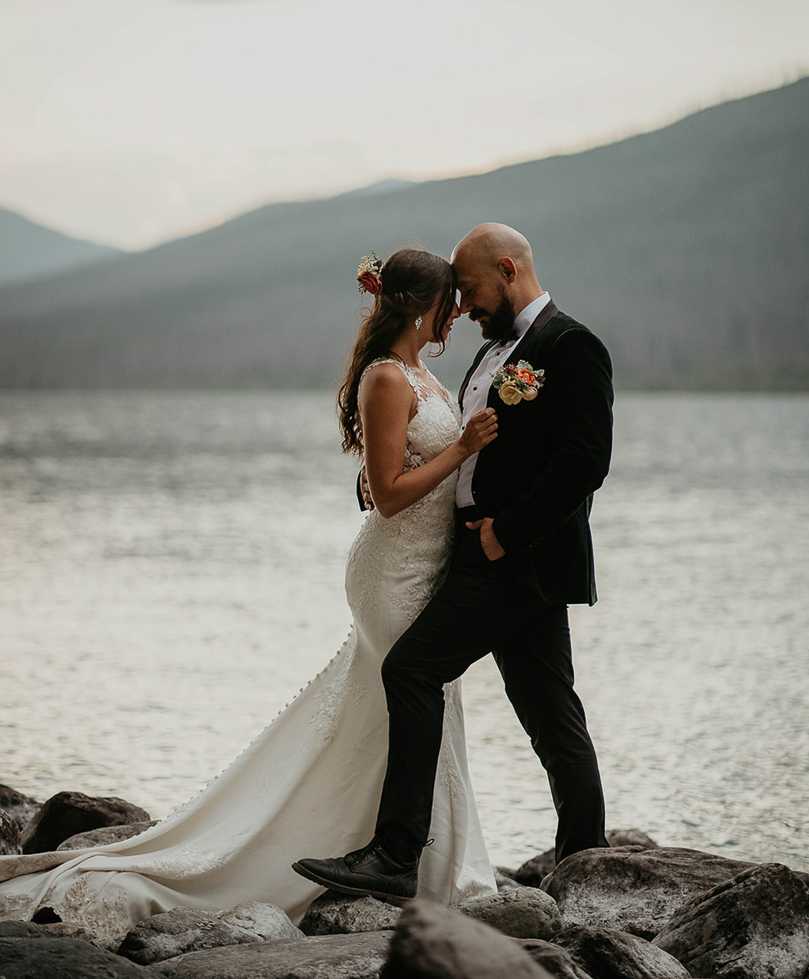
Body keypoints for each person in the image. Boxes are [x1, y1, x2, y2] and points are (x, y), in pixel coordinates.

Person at [0, 249, 499, 940]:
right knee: (408, 701)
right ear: (424, 306)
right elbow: (384, 495)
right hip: (391, 574)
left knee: (406, 709)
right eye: (449, 305)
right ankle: (373, 861)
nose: (455, 317)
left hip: (426, 569)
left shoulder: (422, 374)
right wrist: (462, 446)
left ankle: (421, 861)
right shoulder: (388, 377)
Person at [293, 223, 613, 905]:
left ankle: (400, 852)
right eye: (454, 296)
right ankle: (586, 859)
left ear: (506, 269)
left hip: (512, 559)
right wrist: (381, 486)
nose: (463, 307)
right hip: (467, 553)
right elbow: (442, 448)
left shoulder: (568, 344)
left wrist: (507, 533)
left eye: (468, 290)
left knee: (416, 669)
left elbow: (583, 461)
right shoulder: (490, 355)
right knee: (550, 712)